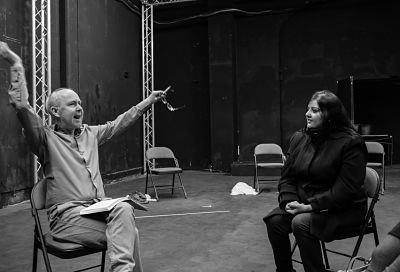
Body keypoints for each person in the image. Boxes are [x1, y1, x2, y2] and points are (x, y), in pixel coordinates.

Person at [0, 41, 165, 272]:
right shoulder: (44, 139)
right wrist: (15, 63)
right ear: (55, 112)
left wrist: (148, 101)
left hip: (98, 210)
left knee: (125, 211)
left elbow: (119, 123)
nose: (79, 107)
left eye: (80, 103)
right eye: (72, 104)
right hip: (67, 218)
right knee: (128, 233)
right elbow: (22, 107)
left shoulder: (90, 133)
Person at [263, 90, 368, 272]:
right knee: (275, 222)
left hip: (343, 208)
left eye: (315, 110)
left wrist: (309, 207)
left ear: (329, 115)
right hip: (307, 203)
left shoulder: (351, 143)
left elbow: (345, 190)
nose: (307, 114)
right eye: (307, 109)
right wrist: (289, 201)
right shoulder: (300, 138)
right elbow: (287, 177)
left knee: (301, 223)